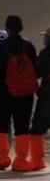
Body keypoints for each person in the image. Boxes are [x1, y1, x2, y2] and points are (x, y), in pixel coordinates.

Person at [0, 15, 39, 171]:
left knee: (2, 124)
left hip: (6, 91)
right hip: (25, 93)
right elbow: (35, 70)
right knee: (22, 126)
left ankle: (2, 157)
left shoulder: (0, 47)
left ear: (7, 28)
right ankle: (20, 160)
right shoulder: (29, 46)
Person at [29, 28, 50, 169]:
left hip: (47, 97)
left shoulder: (45, 53)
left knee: (37, 129)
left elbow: (37, 72)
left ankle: (37, 161)